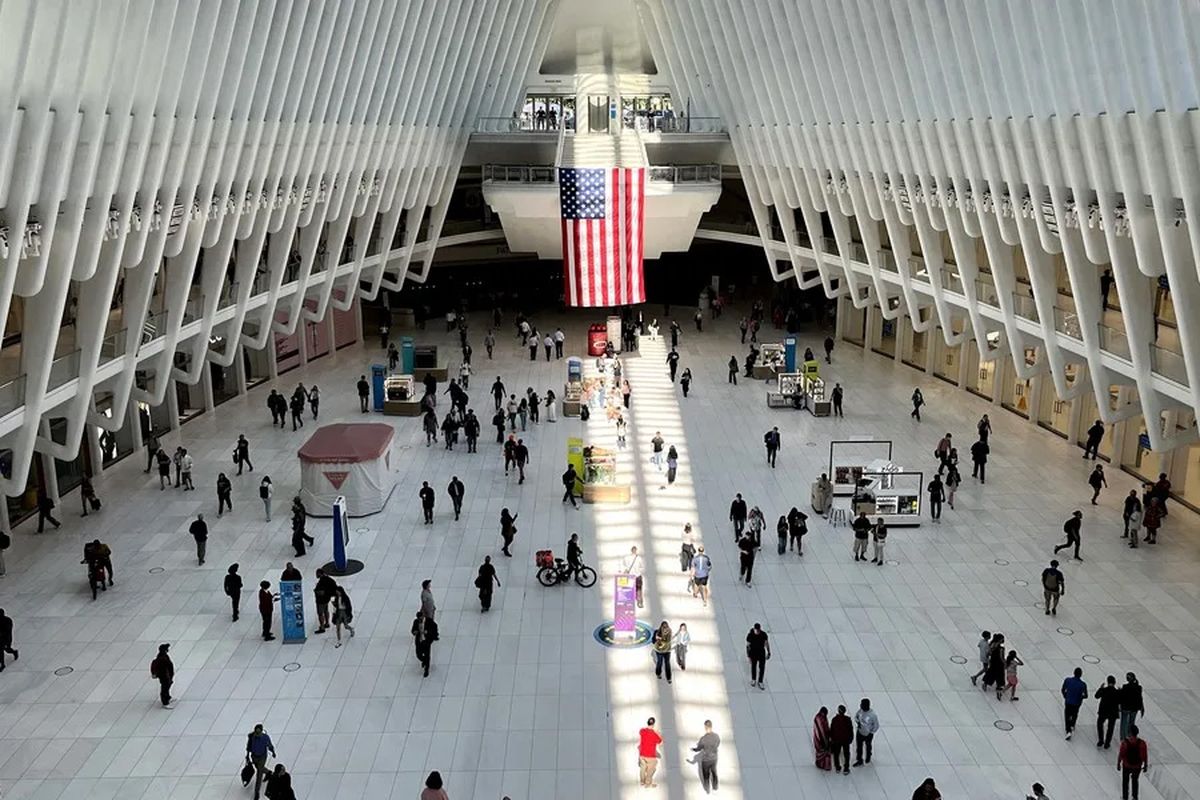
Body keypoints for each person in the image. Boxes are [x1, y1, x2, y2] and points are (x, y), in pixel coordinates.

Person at [688, 718, 720, 794]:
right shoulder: (716, 736)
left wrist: (694, 750)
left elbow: (699, 748)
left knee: (706, 775)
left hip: (706, 760)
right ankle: (715, 787)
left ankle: (707, 789)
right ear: (711, 726)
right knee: (714, 772)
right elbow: (718, 743)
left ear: (705, 727)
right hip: (714, 758)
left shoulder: (703, 739)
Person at [1118, 724, 1149, 800]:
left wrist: (1118, 763)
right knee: (1135, 780)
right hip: (1137, 766)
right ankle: (1135, 797)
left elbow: (1121, 754)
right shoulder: (1142, 743)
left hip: (1126, 765)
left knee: (1125, 781)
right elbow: (1144, 755)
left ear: (1130, 733)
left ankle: (1125, 797)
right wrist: (1145, 765)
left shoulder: (1125, 743)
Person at [246, 724, 276, 800]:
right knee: (259, 768)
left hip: (262, 757)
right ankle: (268, 773)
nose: (257, 734)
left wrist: (273, 752)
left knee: (259, 773)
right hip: (254, 756)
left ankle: (257, 792)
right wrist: (247, 756)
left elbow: (269, 745)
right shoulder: (251, 737)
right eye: (256, 732)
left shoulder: (265, 738)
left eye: (259, 732)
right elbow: (248, 747)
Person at [1062, 666, 1088, 740]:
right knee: (1075, 714)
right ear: (1081, 675)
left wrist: (1065, 696)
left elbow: (1063, 689)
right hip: (1076, 703)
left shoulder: (1068, 680)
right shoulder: (1083, 684)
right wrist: (1081, 697)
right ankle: (1072, 724)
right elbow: (1086, 695)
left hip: (1068, 702)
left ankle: (1068, 731)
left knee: (1067, 716)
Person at [1096, 674, 1121, 748]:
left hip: (1103, 711)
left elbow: (1096, 696)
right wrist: (1120, 692)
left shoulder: (1104, 690)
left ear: (1107, 682)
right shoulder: (1117, 692)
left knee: (1100, 724)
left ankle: (1101, 740)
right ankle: (1107, 743)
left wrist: (1100, 688)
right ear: (1114, 682)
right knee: (1110, 728)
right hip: (1113, 712)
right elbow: (1120, 701)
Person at [411, 610, 438, 677]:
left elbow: (434, 627)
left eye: (421, 618)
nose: (420, 619)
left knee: (427, 654)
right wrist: (415, 632)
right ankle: (424, 660)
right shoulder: (416, 622)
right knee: (418, 654)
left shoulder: (429, 621)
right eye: (419, 618)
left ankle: (426, 669)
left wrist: (428, 632)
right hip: (419, 640)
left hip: (426, 640)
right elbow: (413, 630)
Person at [638, 717, 663, 788]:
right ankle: (648, 783)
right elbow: (660, 742)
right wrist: (658, 733)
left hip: (642, 755)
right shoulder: (654, 735)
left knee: (642, 768)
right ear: (653, 724)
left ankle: (642, 781)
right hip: (650, 756)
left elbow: (641, 733)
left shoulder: (642, 731)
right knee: (650, 770)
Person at [853, 698, 878, 766]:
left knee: (868, 745)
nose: (860, 706)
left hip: (868, 734)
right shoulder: (860, 711)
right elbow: (856, 717)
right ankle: (859, 759)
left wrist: (871, 733)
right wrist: (858, 722)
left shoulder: (872, 715)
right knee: (859, 747)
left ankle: (868, 756)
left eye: (862, 704)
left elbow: (876, 725)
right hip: (860, 732)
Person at [829, 704, 853, 774]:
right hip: (846, 740)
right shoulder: (848, 720)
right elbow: (850, 730)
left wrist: (832, 739)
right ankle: (846, 768)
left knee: (836, 754)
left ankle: (837, 767)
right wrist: (851, 738)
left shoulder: (834, 719)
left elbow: (832, 730)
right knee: (846, 754)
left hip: (837, 740)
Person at [1119, 673, 1144, 740]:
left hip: (1126, 708)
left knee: (1123, 723)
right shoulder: (1139, 687)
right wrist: (1142, 707)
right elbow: (1140, 698)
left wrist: (1120, 691)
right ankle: (1130, 734)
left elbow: (1122, 697)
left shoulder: (1125, 687)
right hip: (1134, 708)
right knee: (1131, 722)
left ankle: (1123, 737)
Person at [746, 622, 770, 689]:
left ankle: (760, 681)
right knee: (753, 666)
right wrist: (748, 655)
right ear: (754, 629)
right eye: (756, 630)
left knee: (762, 667)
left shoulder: (763, 635)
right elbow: (748, 646)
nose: (757, 631)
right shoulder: (750, 635)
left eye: (758, 630)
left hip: (761, 652)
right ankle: (753, 679)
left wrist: (768, 652)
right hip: (753, 653)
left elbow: (766, 643)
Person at [313, 568, 336, 633]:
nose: (316, 575)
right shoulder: (329, 579)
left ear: (320, 574)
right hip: (326, 599)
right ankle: (327, 623)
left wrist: (317, 592)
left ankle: (322, 627)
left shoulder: (323, 581)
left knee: (320, 613)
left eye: (317, 574)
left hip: (321, 600)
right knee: (326, 610)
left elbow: (321, 591)